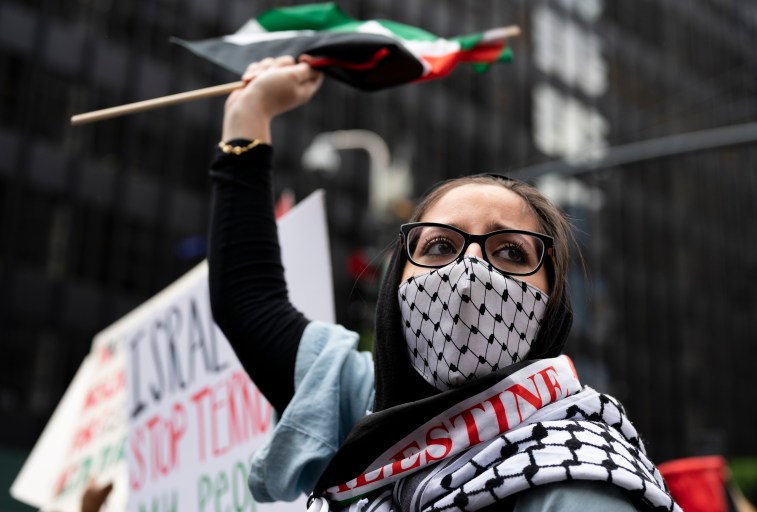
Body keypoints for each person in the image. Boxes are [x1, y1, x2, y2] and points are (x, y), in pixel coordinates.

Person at [207, 57, 680, 512]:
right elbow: (247, 303)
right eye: (439, 246)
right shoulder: (371, 411)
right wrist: (248, 118)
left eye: (510, 251)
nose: (470, 268)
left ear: (552, 303)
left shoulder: (580, 482)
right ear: (397, 280)